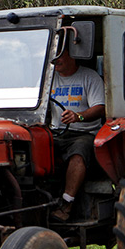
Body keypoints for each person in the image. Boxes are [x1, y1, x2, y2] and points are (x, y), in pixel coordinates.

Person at [48, 44, 105, 222]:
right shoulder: (48, 79)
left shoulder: (90, 77)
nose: (56, 59)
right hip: (56, 132)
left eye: (60, 54)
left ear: (72, 55)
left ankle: (66, 204)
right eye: (54, 54)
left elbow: (100, 108)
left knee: (79, 151)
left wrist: (78, 116)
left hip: (83, 133)